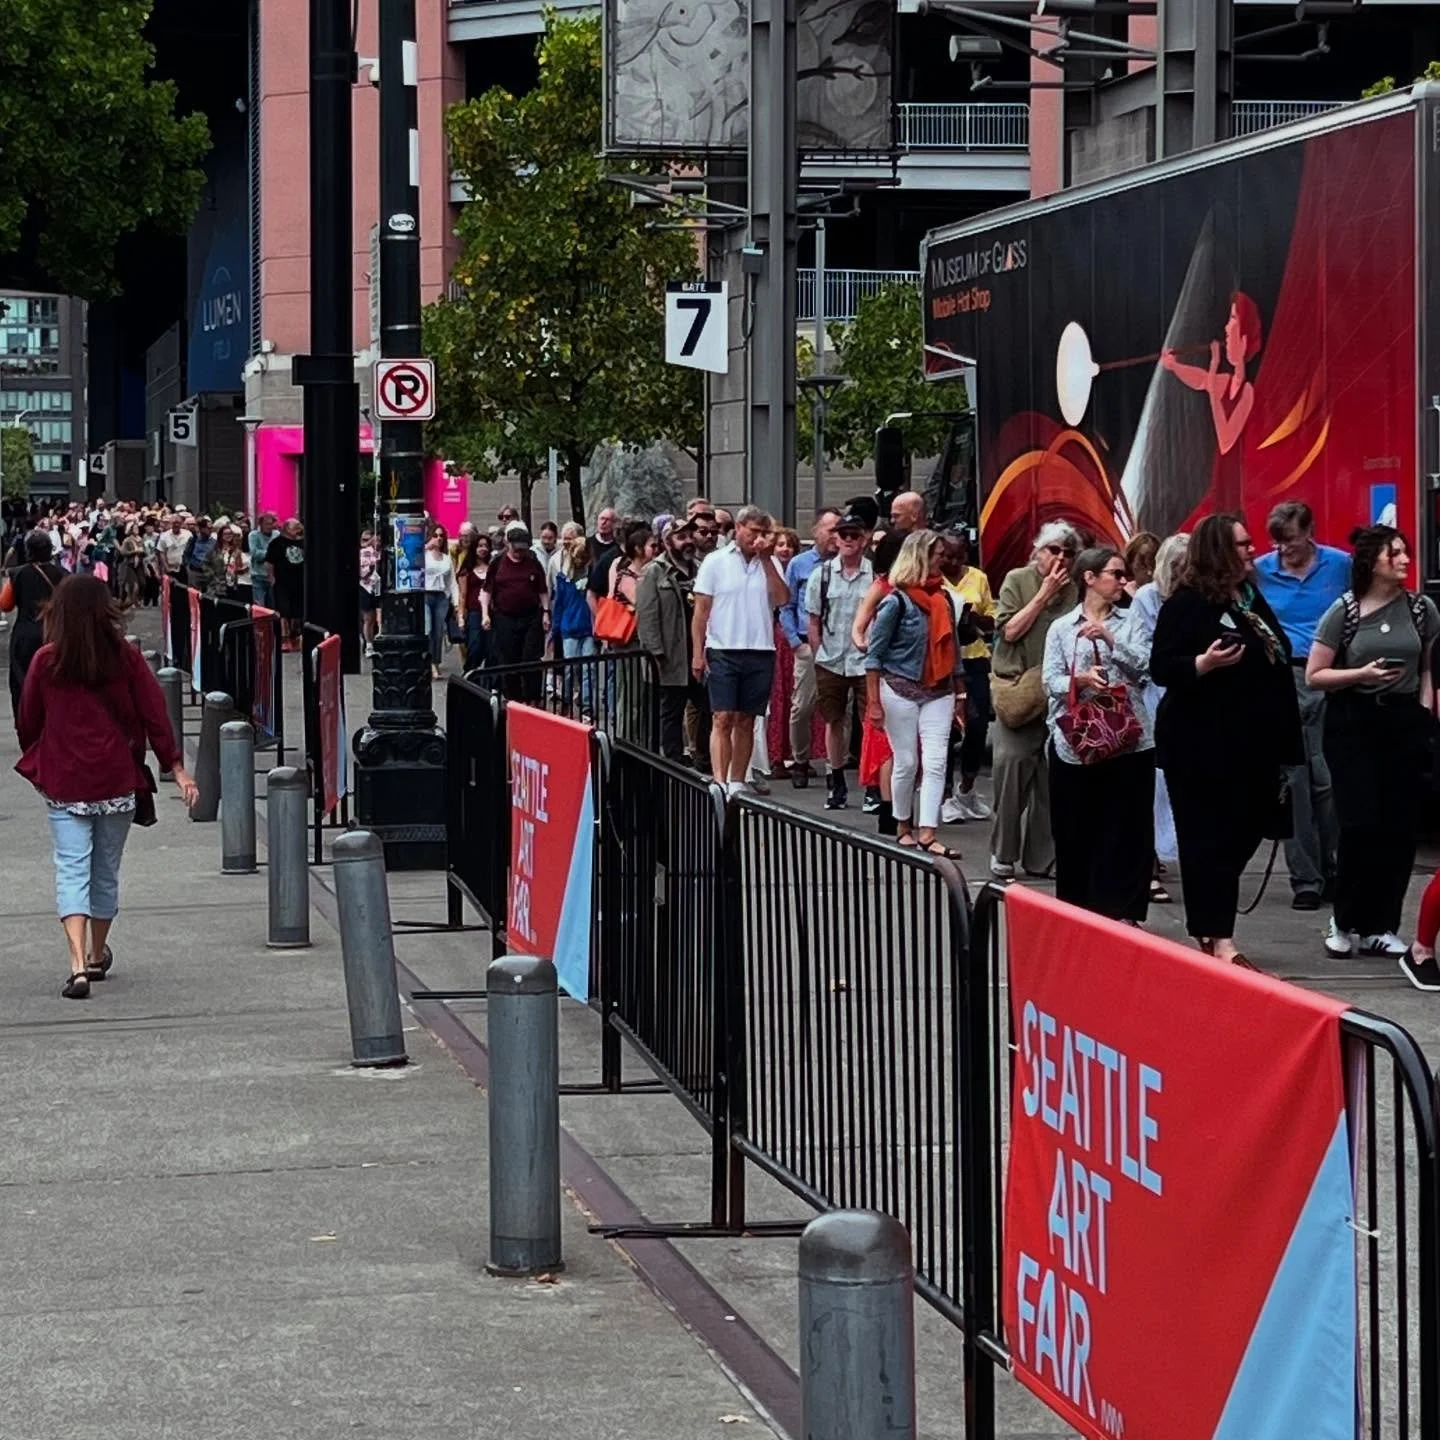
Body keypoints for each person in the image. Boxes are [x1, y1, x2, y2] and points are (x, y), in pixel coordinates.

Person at [16, 575, 199, 997]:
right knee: (105, 870)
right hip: (117, 777)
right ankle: (98, 954)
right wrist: (176, 766)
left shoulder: (47, 660)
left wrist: (44, 755)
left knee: (71, 868)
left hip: (65, 777)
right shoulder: (125, 657)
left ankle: (77, 964)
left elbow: (28, 721)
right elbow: (154, 712)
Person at [1150, 513, 1302, 966]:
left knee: (1249, 827)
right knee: (1206, 841)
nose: (1252, 550)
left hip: (1251, 744)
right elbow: (1163, 666)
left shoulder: (1248, 599)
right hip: (1200, 747)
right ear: (1218, 550)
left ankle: (1210, 918)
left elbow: (1276, 653)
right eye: (1241, 544)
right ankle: (1218, 938)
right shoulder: (1187, 603)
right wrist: (1204, 664)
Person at [1306, 524, 1440, 964]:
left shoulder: (1421, 609)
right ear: (1372, 561)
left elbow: (1427, 668)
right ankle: (1344, 921)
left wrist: (1422, 712)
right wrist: (1361, 676)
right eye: (1394, 553)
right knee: (1360, 824)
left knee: (1399, 829)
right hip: (1353, 722)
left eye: (1405, 553)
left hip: (1403, 722)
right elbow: (1315, 674)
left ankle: (1381, 925)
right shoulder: (1344, 611)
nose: (1404, 560)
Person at [1042, 546, 1155, 922]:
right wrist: (1082, 678)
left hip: (1129, 738)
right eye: (1115, 574)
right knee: (1076, 829)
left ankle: (1124, 911)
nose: (1123, 582)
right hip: (1077, 741)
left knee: (1128, 829)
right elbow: (1050, 680)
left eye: (1124, 576)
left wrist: (1109, 638)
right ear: (1089, 578)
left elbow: (1144, 668)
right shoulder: (1062, 627)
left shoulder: (1131, 620)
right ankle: (1079, 911)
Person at [1253, 499, 1349, 911]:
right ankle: (1305, 879)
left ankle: (1335, 869)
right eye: (1277, 542)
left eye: (1289, 541)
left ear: (1309, 533)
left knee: (1330, 780)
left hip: (1331, 676)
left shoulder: (1339, 565)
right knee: (1295, 781)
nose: (1283, 550)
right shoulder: (1260, 569)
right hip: (1285, 676)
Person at [863, 530, 966, 858]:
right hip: (899, 689)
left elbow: (955, 650)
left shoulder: (944, 598)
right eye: (937, 554)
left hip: (939, 689)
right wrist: (874, 703)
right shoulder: (896, 601)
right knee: (906, 762)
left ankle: (927, 832)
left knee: (936, 761)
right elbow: (874, 655)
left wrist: (961, 694)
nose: (942, 559)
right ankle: (902, 825)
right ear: (920, 556)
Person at [988, 522, 1081, 879]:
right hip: (1020, 689)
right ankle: (1003, 852)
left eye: (1067, 553)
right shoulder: (1018, 580)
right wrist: (1043, 595)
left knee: (1051, 778)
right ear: (1038, 551)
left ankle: (1042, 858)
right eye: (1054, 550)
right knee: (1011, 767)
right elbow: (1009, 630)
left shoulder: (1076, 589)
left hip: (1059, 691)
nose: (1061, 558)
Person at [691, 506, 788, 795]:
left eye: (763, 533)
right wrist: (698, 652)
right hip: (723, 646)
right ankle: (719, 781)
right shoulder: (715, 561)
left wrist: (768, 560)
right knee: (722, 716)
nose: (757, 538)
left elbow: (782, 598)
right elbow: (701, 610)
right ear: (740, 527)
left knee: (747, 718)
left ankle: (737, 781)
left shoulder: (769, 563)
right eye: (753, 531)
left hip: (760, 648)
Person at [1128, 533, 1189, 902]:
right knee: (1152, 785)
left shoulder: (1199, 596)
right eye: (1179, 567)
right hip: (1155, 697)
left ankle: (1174, 853)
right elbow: (1140, 652)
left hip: (1188, 696)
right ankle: (1146, 863)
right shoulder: (1148, 599)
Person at [805, 509, 873, 810]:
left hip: (864, 660)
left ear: (864, 540)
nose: (847, 540)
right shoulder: (822, 575)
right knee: (833, 720)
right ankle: (836, 781)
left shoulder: (875, 576)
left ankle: (871, 783)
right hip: (831, 658)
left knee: (870, 720)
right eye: (843, 534)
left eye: (853, 535)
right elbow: (813, 620)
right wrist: (820, 653)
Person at [638, 516, 708, 763]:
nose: (688, 542)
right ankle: (673, 760)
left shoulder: (701, 569)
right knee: (672, 711)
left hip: (699, 651)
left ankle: (703, 755)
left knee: (707, 706)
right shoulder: (654, 572)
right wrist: (655, 652)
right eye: (681, 537)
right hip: (671, 654)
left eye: (690, 536)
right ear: (668, 542)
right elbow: (646, 616)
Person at [779, 508, 840, 787]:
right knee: (801, 707)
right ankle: (800, 761)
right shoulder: (800, 564)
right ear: (815, 531)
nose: (835, 537)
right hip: (806, 644)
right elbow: (786, 605)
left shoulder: (848, 564)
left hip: (839, 646)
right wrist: (795, 642)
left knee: (839, 710)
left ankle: (834, 766)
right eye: (830, 530)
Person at [938, 529, 995, 823]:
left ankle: (967, 788)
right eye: (947, 555)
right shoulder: (934, 578)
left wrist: (972, 618)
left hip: (975, 658)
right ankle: (944, 796)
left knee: (978, 725)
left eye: (958, 556)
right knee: (947, 729)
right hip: (945, 662)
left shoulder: (978, 578)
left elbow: (992, 619)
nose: (952, 561)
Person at [1, 529, 67, 719]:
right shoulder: (64, 575)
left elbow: (5, 605)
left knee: (22, 681)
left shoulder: (17, 574)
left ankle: (26, 720)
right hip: (56, 635)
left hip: (25, 636)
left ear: (28, 551)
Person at [481, 522, 550, 701]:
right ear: (508, 544)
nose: (520, 552)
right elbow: (487, 590)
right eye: (517, 548)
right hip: (505, 617)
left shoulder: (533, 562)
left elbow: (542, 590)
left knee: (531, 658)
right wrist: (485, 614)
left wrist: (546, 612)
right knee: (508, 659)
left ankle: (533, 698)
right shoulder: (498, 563)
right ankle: (513, 698)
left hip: (530, 617)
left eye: (523, 549)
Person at [550, 525, 595, 715]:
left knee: (588, 670)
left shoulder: (592, 576)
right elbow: (558, 604)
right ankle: (566, 701)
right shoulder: (563, 578)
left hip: (588, 628)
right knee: (570, 668)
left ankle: (586, 706)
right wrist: (555, 629)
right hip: (569, 627)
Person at [421, 525, 459, 679]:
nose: (438, 538)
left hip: (441, 596)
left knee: (438, 632)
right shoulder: (424, 554)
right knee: (428, 629)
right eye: (435, 535)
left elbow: (452, 582)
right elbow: (411, 559)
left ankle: (435, 663)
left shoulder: (446, 558)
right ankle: (427, 663)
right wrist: (425, 547)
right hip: (426, 595)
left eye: (441, 536)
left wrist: (456, 603)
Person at [265, 518, 306, 649]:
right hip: (282, 582)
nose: (299, 529)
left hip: (299, 582)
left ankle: (296, 636)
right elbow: (269, 562)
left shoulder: (303, 542)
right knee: (284, 610)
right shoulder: (276, 543)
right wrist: (271, 577)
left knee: (297, 611)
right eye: (296, 527)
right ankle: (284, 639)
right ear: (287, 528)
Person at [455, 529, 492, 673]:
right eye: (480, 546)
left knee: (490, 649)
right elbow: (462, 595)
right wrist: (461, 617)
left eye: (485, 546)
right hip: (474, 613)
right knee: (474, 647)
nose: (483, 549)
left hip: (491, 612)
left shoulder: (493, 568)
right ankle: (469, 675)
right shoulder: (467, 570)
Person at [201, 524, 250, 600]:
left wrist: (240, 570)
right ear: (221, 535)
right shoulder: (215, 550)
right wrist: (212, 578)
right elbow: (205, 564)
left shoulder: (237, 551)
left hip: (232, 585)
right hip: (217, 586)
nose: (228, 536)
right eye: (225, 534)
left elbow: (243, 567)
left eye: (230, 533)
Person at [359, 529, 381, 657]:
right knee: (368, 618)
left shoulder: (380, 552)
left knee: (378, 617)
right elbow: (362, 572)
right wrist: (371, 567)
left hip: (378, 587)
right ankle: (369, 645)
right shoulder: (363, 553)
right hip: (366, 587)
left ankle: (377, 640)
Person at [248, 513, 278, 608]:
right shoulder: (253, 535)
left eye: (271, 523)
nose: (269, 526)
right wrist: (271, 553)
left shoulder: (276, 534)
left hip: (273, 576)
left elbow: (279, 553)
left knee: (273, 606)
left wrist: (266, 553)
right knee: (259, 606)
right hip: (258, 576)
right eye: (266, 524)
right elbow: (255, 554)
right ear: (260, 524)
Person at [183, 515, 218, 589]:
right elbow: (186, 553)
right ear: (201, 528)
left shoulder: (214, 542)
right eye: (206, 528)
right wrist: (187, 567)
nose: (208, 530)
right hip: (195, 571)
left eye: (210, 528)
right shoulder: (194, 540)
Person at [154, 513, 192, 582]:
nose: (176, 525)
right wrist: (166, 567)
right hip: (170, 569)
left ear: (181, 523)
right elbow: (161, 553)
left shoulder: (188, 534)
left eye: (178, 523)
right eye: (174, 522)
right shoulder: (164, 536)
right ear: (171, 523)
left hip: (184, 569)